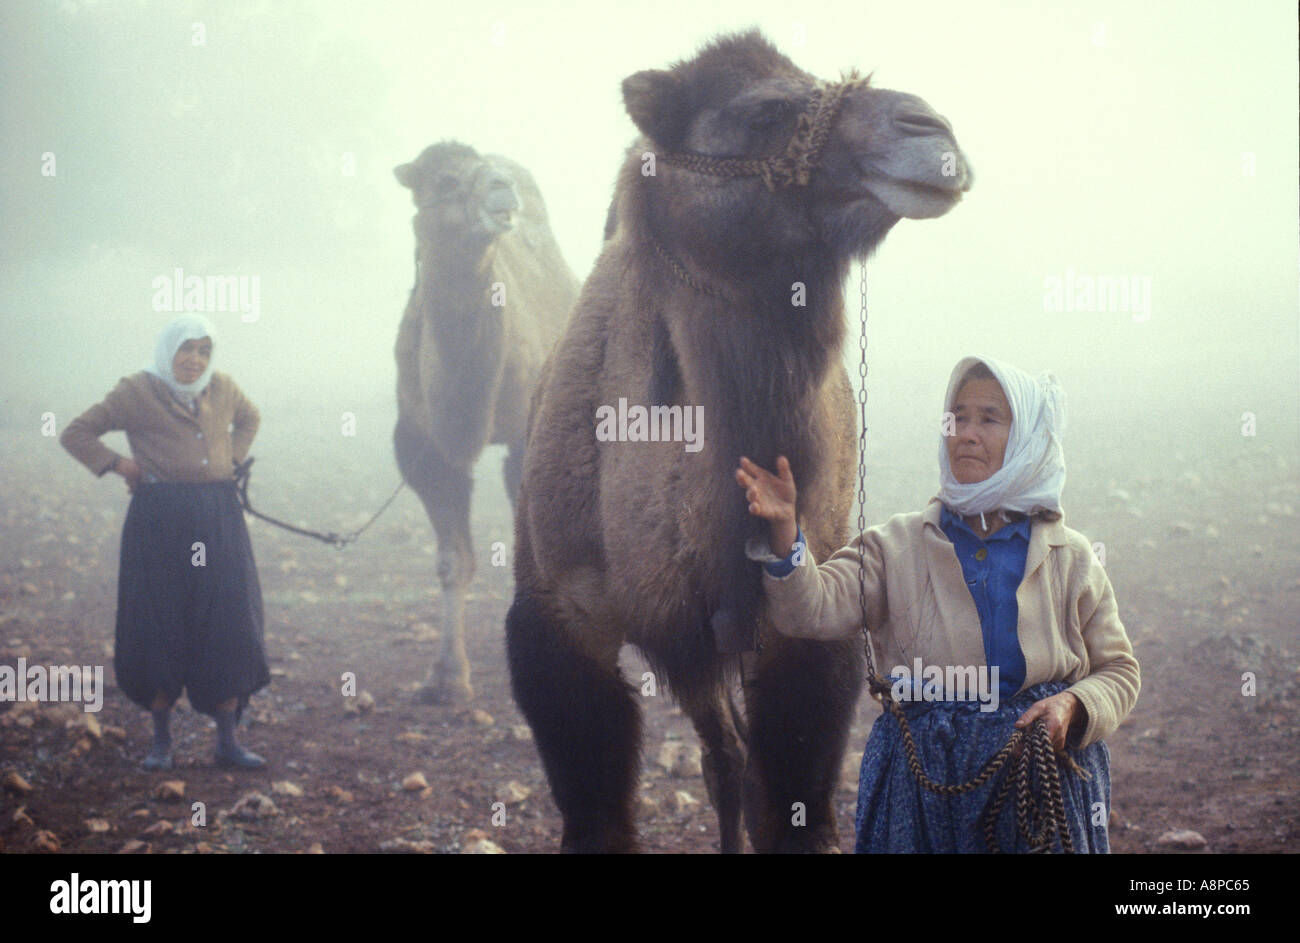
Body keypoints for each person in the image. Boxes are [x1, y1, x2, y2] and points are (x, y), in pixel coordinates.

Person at [735, 355, 1139, 852]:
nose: (966, 433)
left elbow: (1119, 671)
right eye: (957, 417)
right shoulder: (895, 546)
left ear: (1029, 438)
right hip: (923, 786)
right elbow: (808, 609)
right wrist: (784, 533)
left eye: (989, 418)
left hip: (1039, 776)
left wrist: (1074, 705)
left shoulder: (1070, 557)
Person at [61, 314, 271, 770]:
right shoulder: (136, 390)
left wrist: (230, 459)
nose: (194, 359)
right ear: (167, 351)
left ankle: (228, 742)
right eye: (185, 349)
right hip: (159, 521)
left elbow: (251, 418)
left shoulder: (224, 387)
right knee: (158, 623)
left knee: (228, 620)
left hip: (218, 518)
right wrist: (120, 465)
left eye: (203, 350)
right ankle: (161, 744)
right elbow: (75, 432)